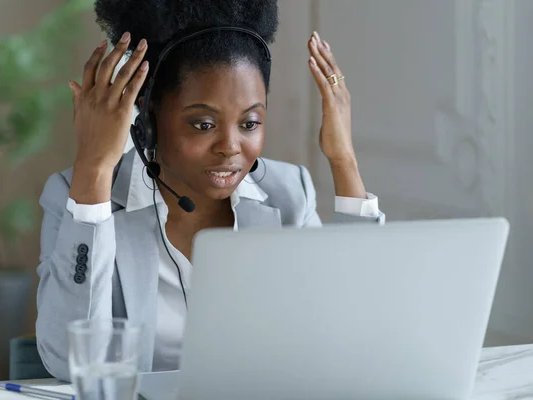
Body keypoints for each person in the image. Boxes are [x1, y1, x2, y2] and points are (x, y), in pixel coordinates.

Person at [36, 0, 384, 381]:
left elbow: (357, 334)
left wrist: (343, 160)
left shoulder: (288, 198)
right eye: (203, 124)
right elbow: (70, 363)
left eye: (249, 123)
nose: (230, 147)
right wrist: (95, 169)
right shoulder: (80, 196)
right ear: (147, 123)